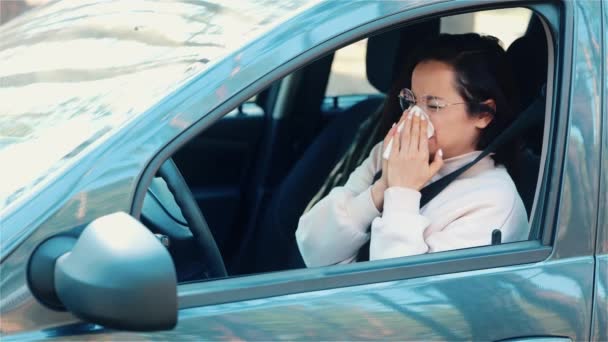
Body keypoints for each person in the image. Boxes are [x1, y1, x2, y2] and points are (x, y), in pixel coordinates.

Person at [295, 33, 530, 267]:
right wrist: (380, 189)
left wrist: (402, 193)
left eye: (434, 105)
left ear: (483, 114)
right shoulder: (389, 155)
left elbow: (399, 292)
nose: (414, 116)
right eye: (411, 101)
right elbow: (313, 249)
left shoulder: (493, 202)